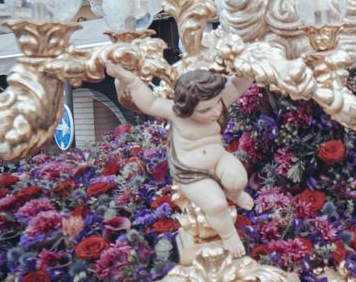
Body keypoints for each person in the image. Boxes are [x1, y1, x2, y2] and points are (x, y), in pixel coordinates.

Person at [108, 66, 254, 250]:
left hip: (219, 160)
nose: (216, 112)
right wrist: (130, 80)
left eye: (217, 104)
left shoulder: (217, 101)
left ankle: (234, 193)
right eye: (205, 110)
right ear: (187, 107)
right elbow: (150, 103)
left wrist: (250, 62)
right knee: (217, 206)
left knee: (238, 179)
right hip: (192, 173)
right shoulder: (176, 113)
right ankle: (229, 235)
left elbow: (239, 84)